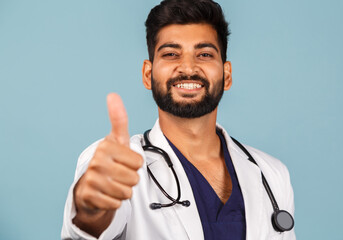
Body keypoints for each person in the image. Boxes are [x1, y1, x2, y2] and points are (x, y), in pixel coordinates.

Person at [61, 0, 296, 239]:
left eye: (204, 54)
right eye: (171, 54)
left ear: (226, 75)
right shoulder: (118, 164)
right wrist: (91, 208)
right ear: (147, 74)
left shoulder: (272, 173)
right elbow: (86, 230)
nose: (188, 67)